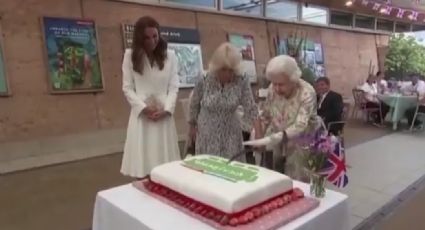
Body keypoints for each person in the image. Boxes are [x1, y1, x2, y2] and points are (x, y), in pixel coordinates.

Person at [121, 16, 180, 178]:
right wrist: (144, 108)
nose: (152, 41)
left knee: (166, 167)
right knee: (142, 163)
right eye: (147, 38)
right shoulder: (130, 56)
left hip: (163, 115)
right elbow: (127, 88)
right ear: (140, 38)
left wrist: (167, 109)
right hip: (142, 116)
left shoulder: (171, 56)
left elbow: (174, 86)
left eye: (155, 36)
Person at [189, 43, 258, 161]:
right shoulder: (204, 78)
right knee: (209, 168)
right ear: (216, 67)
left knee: (231, 168)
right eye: (224, 70)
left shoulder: (241, 79)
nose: (228, 74)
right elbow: (194, 103)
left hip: (231, 133)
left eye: (231, 70)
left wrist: (253, 131)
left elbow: (250, 106)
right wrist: (192, 127)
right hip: (207, 131)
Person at [253, 55, 318, 180]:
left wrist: (274, 138)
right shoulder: (272, 89)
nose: (276, 89)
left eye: (281, 84)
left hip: (300, 141)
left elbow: (300, 126)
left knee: (296, 178)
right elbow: (266, 115)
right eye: (274, 83)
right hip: (276, 136)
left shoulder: (307, 92)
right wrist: (259, 134)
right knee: (271, 174)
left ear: (293, 79)